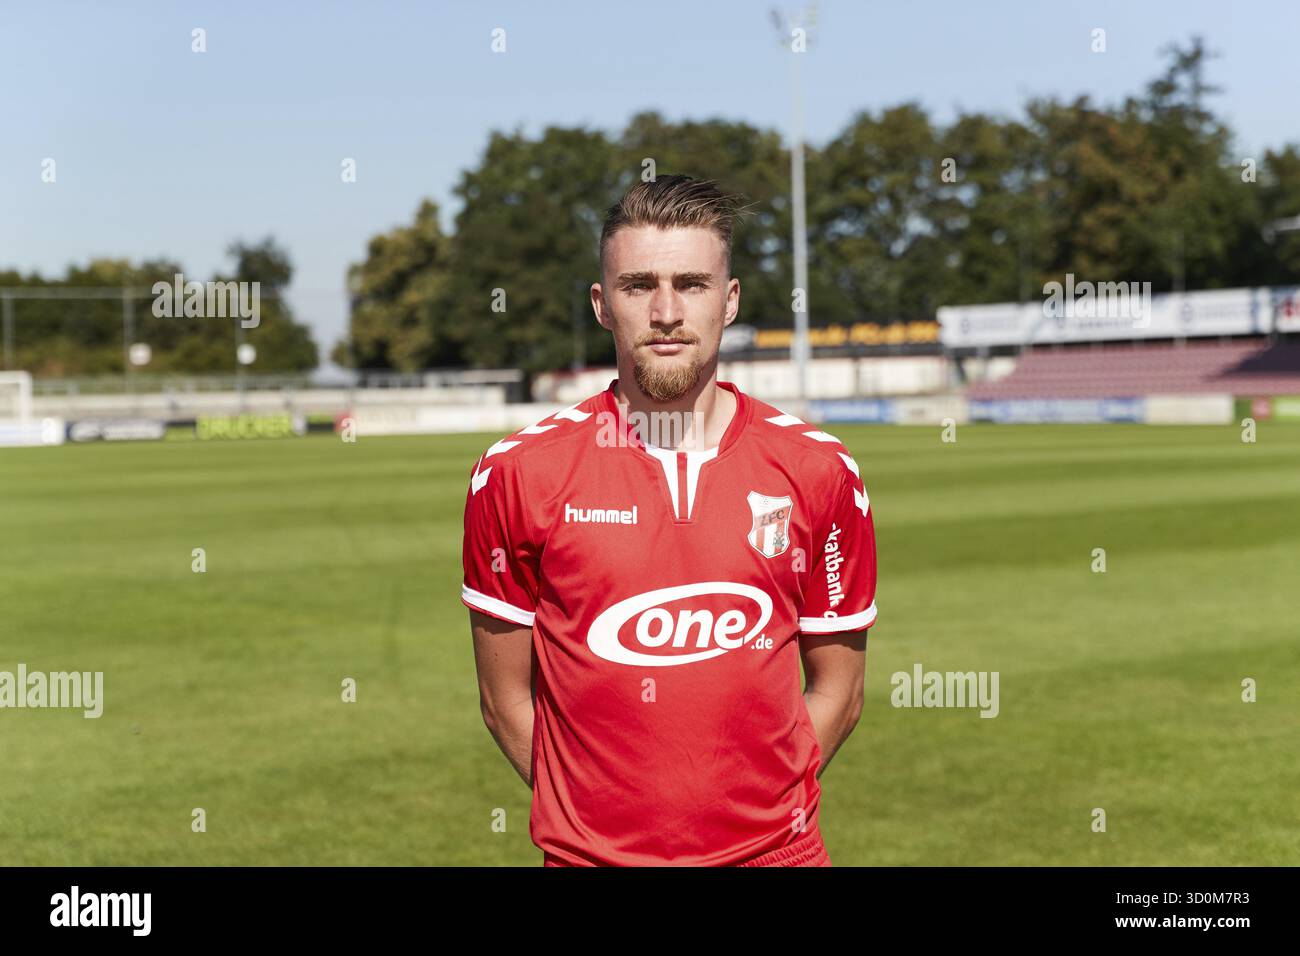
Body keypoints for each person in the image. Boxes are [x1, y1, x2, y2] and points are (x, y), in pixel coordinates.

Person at [461, 175, 877, 866]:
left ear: (730, 299)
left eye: (691, 283)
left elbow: (839, 688)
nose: (665, 311)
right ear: (602, 304)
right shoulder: (515, 476)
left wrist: (762, 820)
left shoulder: (820, 472)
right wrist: (598, 827)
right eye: (636, 285)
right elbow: (505, 702)